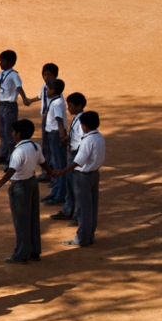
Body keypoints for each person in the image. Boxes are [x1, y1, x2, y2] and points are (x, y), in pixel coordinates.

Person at [0, 118, 49, 264]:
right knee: (33, 217)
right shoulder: (35, 146)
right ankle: (35, 251)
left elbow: (11, 170)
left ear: (18, 134)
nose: (11, 134)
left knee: (21, 221)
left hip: (20, 186)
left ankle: (21, 254)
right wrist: (52, 173)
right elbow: (43, 162)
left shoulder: (19, 151)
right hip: (32, 183)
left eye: (13, 131)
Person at [51, 110, 104, 248]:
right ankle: (89, 235)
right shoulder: (99, 137)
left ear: (84, 126)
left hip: (83, 176)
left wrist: (62, 171)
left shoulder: (87, 140)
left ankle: (82, 238)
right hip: (94, 174)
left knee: (83, 208)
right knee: (92, 206)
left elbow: (78, 161)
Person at [0, 50, 33, 164]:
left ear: (11, 62)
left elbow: (19, 87)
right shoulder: (2, 73)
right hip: (1, 105)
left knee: (9, 132)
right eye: (0, 61)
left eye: (3, 61)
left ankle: (12, 156)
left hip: (10, 106)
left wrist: (24, 98)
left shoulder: (14, 75)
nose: (0, 63)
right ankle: (3, 155)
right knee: (2, 132)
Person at [52, 92, 87, 224]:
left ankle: (77, 215)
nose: (68, 108)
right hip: (73, 152)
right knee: (70, 184)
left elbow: (83, 139)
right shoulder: (78, 118)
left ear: (79, 106)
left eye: (70, 106)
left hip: (76, 154)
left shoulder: (82, 120)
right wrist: (67, 139)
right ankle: (68, 210)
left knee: (75, 186)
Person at [41, 78, 69, 208]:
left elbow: (59, 119)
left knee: (59, 165)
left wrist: (62, 136)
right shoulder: (55, 100)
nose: (46, 90)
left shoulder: (57, 103)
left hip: (55, 135)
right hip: (53, 134)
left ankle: (60, 195)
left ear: (53, 91)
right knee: (56, 163)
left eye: (48, 89)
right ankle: (56, 191)